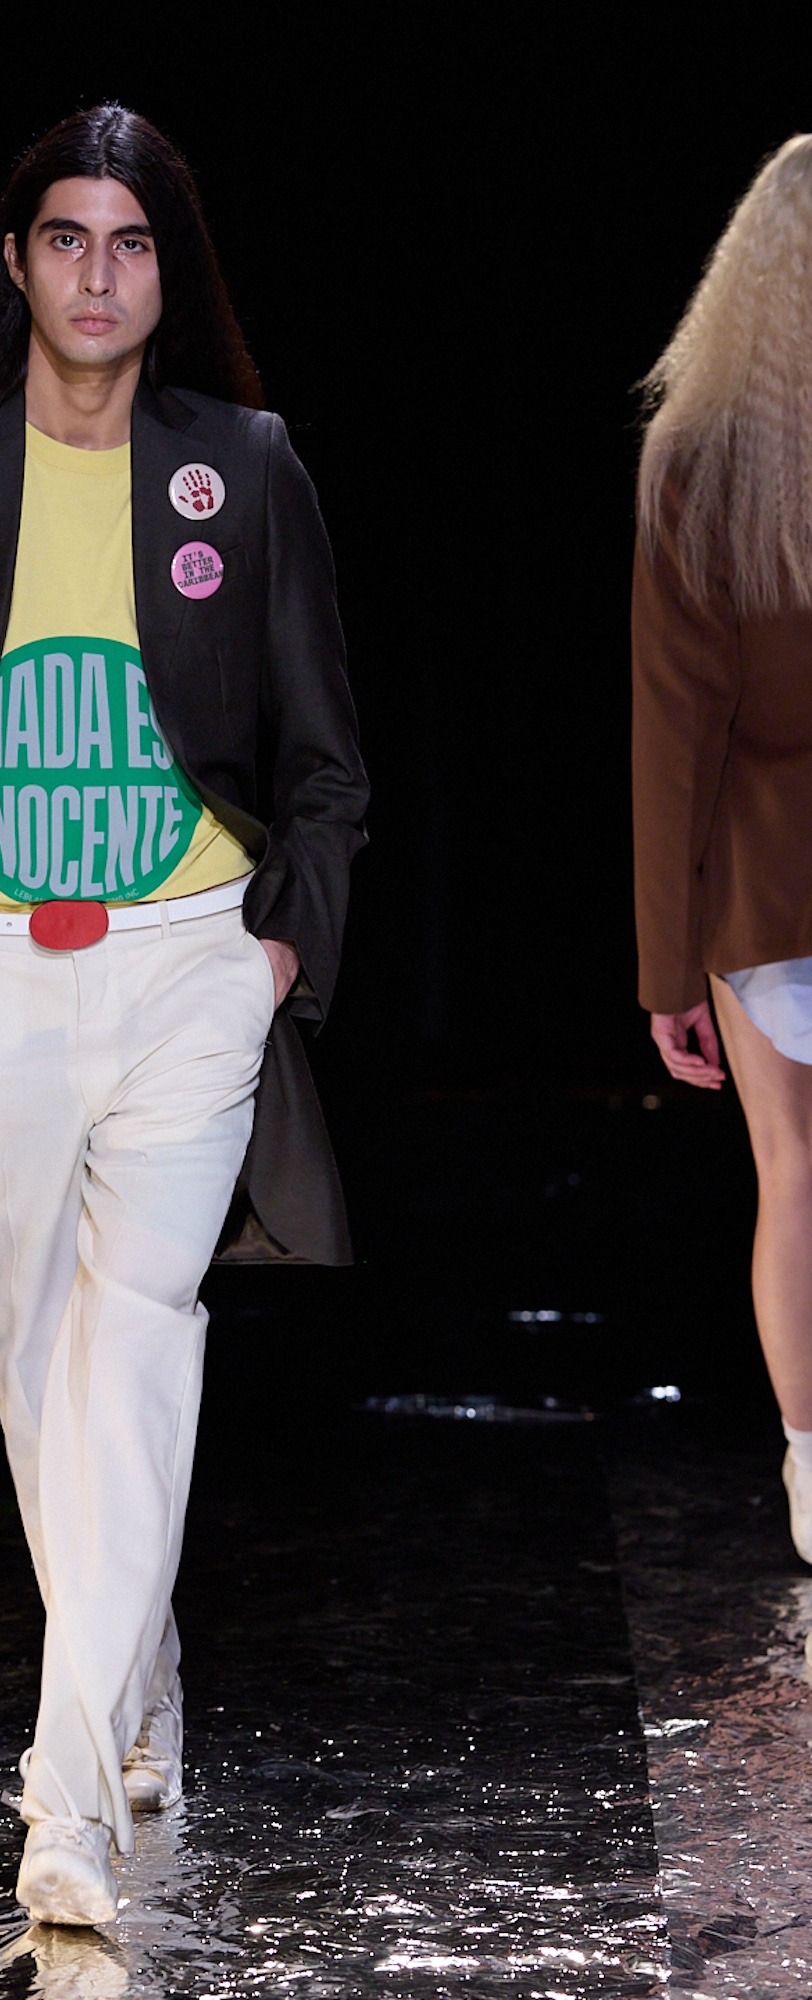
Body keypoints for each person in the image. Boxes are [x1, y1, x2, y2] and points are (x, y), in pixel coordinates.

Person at [0, 105, 366, 1925]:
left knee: (138, 1344)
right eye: (66, 238)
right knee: (42, 1379)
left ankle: (63, 1808)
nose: (98, 275)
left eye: (131, 243)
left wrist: (271, 959)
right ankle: (137, 1681)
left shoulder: (242, 467)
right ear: (17, 262)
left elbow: (327, 766)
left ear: (167, 273)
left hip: (187, 960)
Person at [634, 134, 812, 1566]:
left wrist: (663, 970)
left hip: (766, 883)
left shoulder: (696, 462)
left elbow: (674, 735)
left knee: (792, 1174)